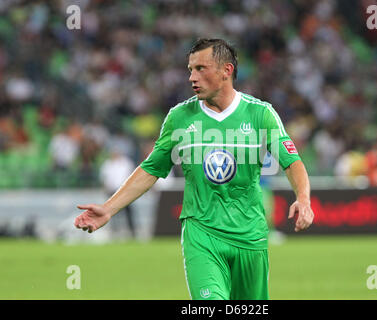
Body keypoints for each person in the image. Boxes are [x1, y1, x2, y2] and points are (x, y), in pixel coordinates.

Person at [74, 38, 314, 300]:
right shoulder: (179, 118)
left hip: (250, 237)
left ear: (226, 71)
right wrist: (108, 208)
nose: (192, 77)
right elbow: (151, 169)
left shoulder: (260, 114)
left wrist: (303, 199)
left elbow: (292, 162)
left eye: (201, 68)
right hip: (202, 234)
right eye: (190, 69)